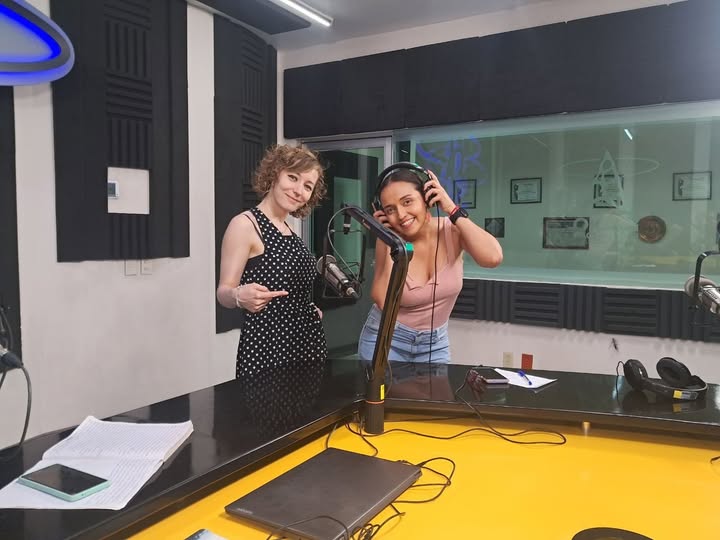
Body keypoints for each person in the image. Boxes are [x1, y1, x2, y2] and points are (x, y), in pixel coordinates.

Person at [358, 166, 503, 364]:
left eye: (407, 201)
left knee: (439, 387)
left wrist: (452, 210)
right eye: (390, 209)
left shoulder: (451, 230)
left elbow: (493, 258)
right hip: (386, 338)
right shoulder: (390, 241)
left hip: (435, 344)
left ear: (427, 198)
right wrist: (386, 238)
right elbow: (383, 299)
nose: (401, 215)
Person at [217, 144, 328, 378]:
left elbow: (291, 291)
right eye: (293, 177)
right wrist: (238, 295)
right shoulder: (245, 225)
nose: (298, 190)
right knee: (265, 401)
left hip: (305, 341)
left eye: (307, 186)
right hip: (268, 345)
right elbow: (223, 292)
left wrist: (307, 310)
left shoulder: (290, 230)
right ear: (275, 174)